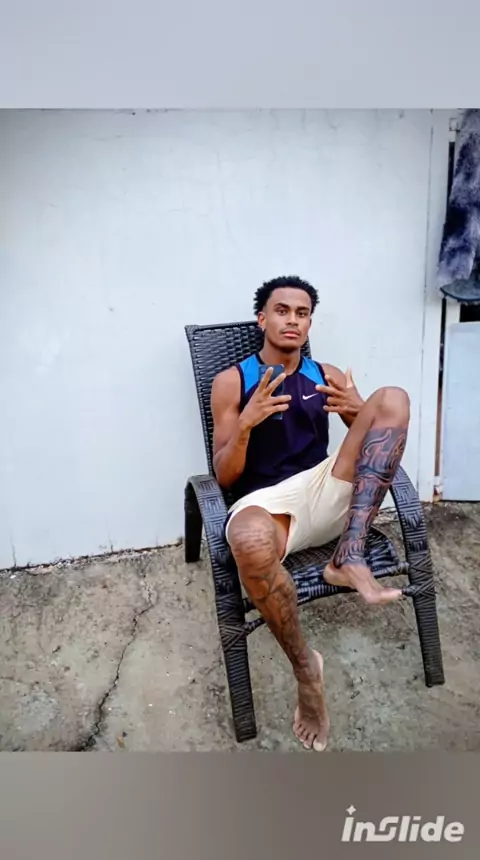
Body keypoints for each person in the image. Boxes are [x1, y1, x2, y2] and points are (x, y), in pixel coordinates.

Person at [210, 275, 410, 752]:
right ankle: (306, 671)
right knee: (249, 542)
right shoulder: (233, 381)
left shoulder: (327, 374)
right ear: (262, 319)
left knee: (392, 398)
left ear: (310, 323)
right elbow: (224, 476)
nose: (292, 320)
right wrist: (246, 425)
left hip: (326, 488)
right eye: (282, 311)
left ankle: (348, 556)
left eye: (302, 313)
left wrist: (356, 410)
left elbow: (374, 441)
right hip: (269, 507)